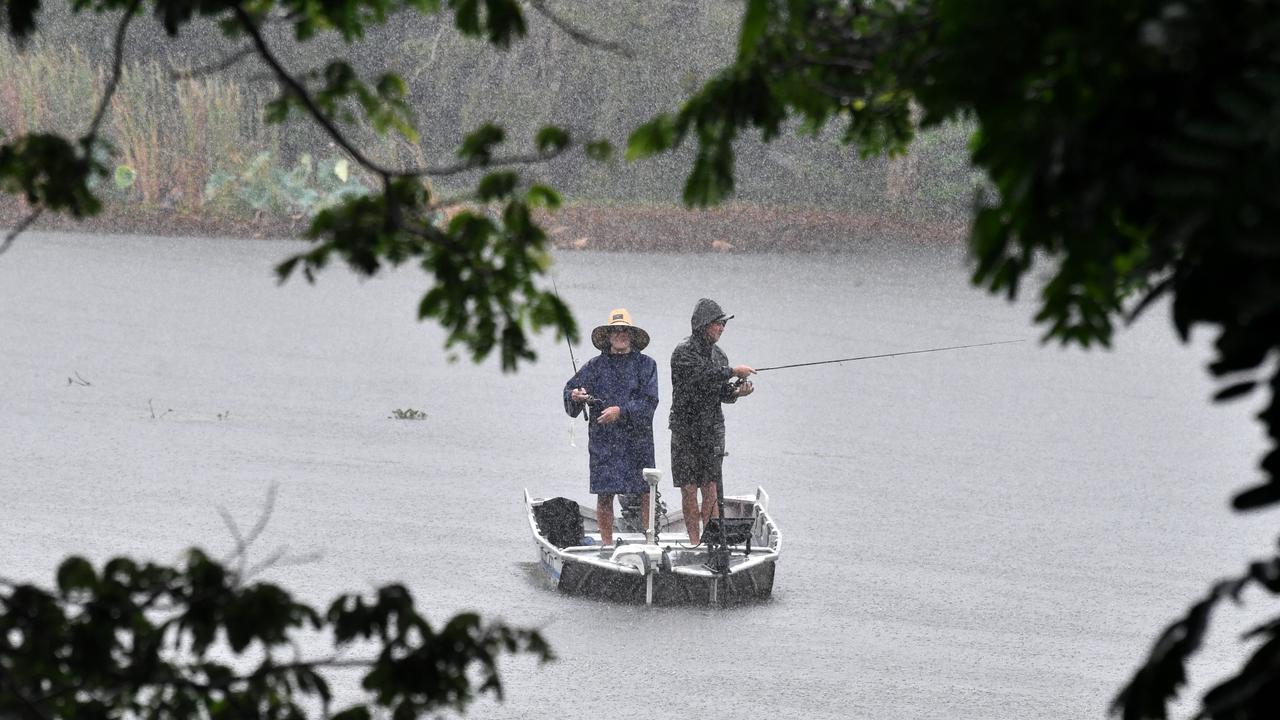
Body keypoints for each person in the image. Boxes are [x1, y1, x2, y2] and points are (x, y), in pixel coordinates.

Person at [563, 308, 659, 546]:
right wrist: (575, 396)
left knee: (646, 492)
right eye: (615, 330)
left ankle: (649, 542)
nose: (620, 334)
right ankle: (606, 545)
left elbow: (650, 403)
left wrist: (621, 412)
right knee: (605, 495)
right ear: (607, 336)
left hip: (638, 442)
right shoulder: (594, 366)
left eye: (624, 330)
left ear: (632, 335)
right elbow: (569, 392)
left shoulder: (647, 365)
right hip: (604, 442)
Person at [669, 298, 755, 545]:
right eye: (718, 323)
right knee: (688, 487)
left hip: (712, 429)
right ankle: (694, 540)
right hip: (685, 429)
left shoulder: (720, 355)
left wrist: (738, 390)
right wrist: (732, 372)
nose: (722, 328)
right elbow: (699, 377)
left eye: (723, 325)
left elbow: (720, 392)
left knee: (710, 487)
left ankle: (709, 540)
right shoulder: (683, 352)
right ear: (703, 324)